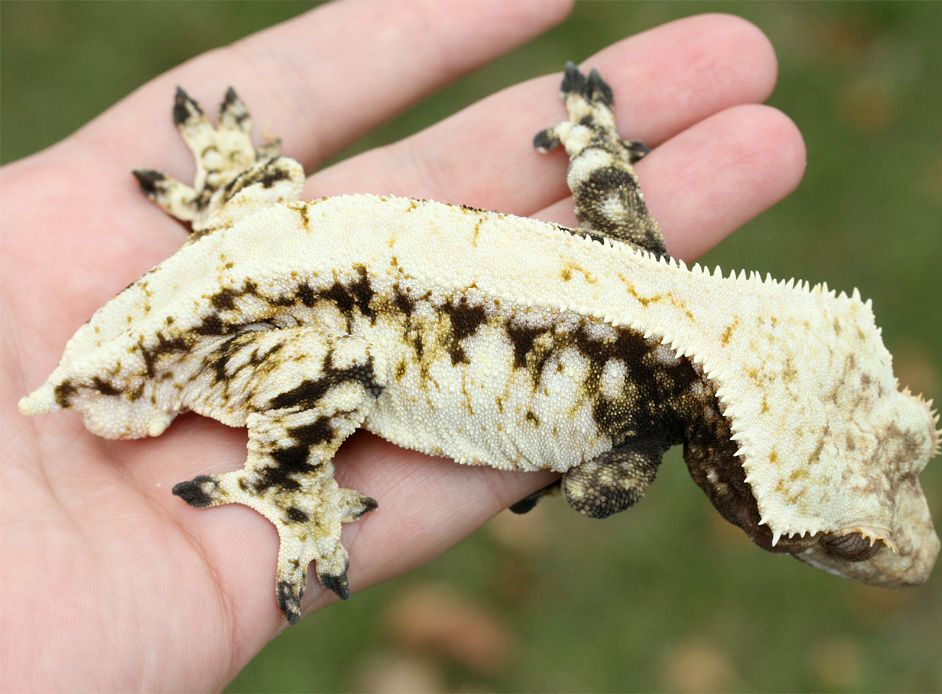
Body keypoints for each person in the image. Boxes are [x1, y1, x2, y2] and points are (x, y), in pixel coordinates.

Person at [1, 1, 805, 689]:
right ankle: (280, 483)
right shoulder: (633, 446)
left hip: (270, 263)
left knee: (305, 307)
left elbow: (603, 187)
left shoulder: (652, 286)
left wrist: (591, 134)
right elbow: (596, 489)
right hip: (221, 326)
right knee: (336, 373)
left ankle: (231, 213)